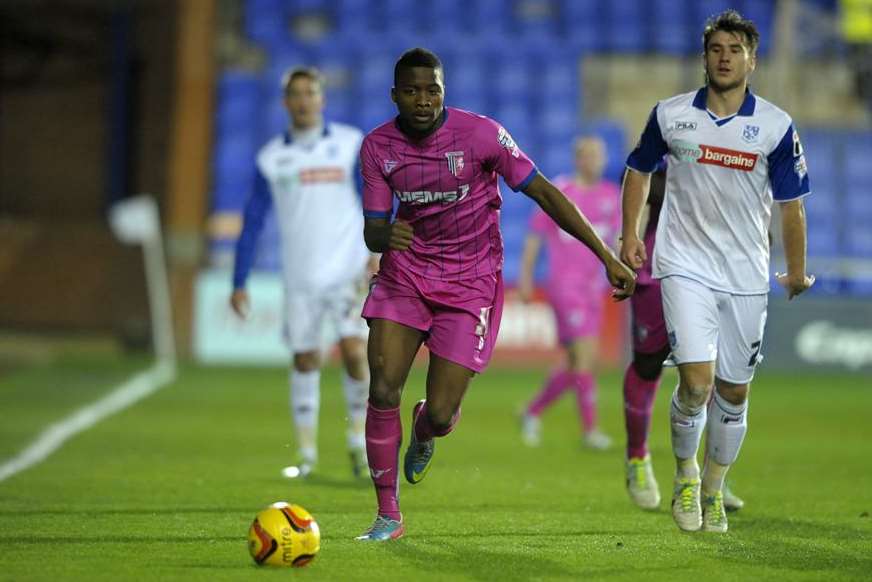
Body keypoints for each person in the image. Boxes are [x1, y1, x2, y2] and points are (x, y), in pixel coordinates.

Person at [355, 47, 637, 542]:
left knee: (441, 414)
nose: (423, 100)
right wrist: (383, 238)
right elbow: (373, 230)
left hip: (470, 282)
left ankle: (424, 431)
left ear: (444, 91)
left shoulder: (481, 134)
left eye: (433, 90)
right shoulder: (378, 148)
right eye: (412, 91)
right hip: (406, 278)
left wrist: (606, 256)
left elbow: (545, 192)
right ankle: (387, 515)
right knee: (382, 387)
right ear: (395, 95)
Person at [621, 10, 814, 533]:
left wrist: (796, 271)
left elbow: (791, 205)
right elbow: (638, 169)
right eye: (716, 49)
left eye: (735, 49)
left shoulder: (774, 125)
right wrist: (631, 234)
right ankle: (685, 474)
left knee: (734, 393)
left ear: (752, 60)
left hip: (747, 273)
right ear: (705, 57)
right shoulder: (671, 114)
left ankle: (712, 488)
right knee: (696, 383)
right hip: (684, 266)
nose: (724, 57)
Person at [230, 66, 374, 480]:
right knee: (306, 358)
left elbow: (375, 202)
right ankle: (307, 453)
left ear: (322, 99)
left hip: (349, 271)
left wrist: (377, 252)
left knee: (353, 352)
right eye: (296, 94)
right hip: (301, 277)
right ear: (285, 102)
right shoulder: (272, 158)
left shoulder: (349, 145)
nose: (304, 100)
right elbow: (253, 220)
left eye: (311, 92)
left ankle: (358, 444)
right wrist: (239, 281)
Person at [622, 160, 745, 513]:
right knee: (647, 366)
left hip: (710, 272)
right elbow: (639, 204)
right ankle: (637, 459)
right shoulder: (654, 158)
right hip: (658, 271)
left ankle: (710, 478)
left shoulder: (730, 156)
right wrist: (629, 257)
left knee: (711, 374)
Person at [518, 136, 621, 451]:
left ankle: (531, 411)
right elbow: (535, 237)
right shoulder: (561, 192)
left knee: (582, 361)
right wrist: (525, 277)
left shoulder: (612, 195)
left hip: (594, 287)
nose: (592, 161)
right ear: (577, 159)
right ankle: (590, 431)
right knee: (584, 357)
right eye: (586, 155)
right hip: (564, 285)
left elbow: (616, 240)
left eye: (597, 155)